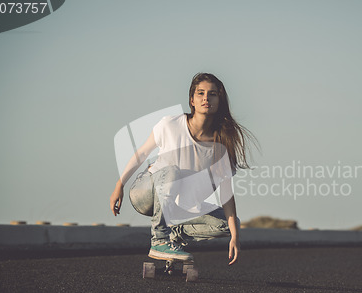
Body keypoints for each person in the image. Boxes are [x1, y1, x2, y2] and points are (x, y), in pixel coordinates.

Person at [110, 73, 257, 265]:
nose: (206, 98)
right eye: (200, 93)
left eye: (212, 94)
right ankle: (159, 240)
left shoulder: (221, 144)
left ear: (219, 101)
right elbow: (142, 153)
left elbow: (226, 193)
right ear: (192, 100)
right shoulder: (170, 124)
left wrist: (235, 237)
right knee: (173, 172)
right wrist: (119, 184)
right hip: (147, 193)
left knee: (231, 224)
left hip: (180, 207)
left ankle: (175, 237)